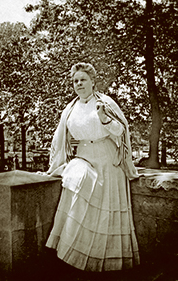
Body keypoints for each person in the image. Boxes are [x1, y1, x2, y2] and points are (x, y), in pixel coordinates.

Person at [45, 62, 140, 272]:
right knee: (77, 192)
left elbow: (120, 132)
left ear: (92, 81)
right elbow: (60, 138)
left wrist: (104, 119)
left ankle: (105, 261)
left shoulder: (105, 102)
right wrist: (55, 164)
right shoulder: (70, 109)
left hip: (107, 159)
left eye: (83, 80)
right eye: (75, 81)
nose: (79, 84)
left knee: (105, 210)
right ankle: (76, 254)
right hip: (83, 156)